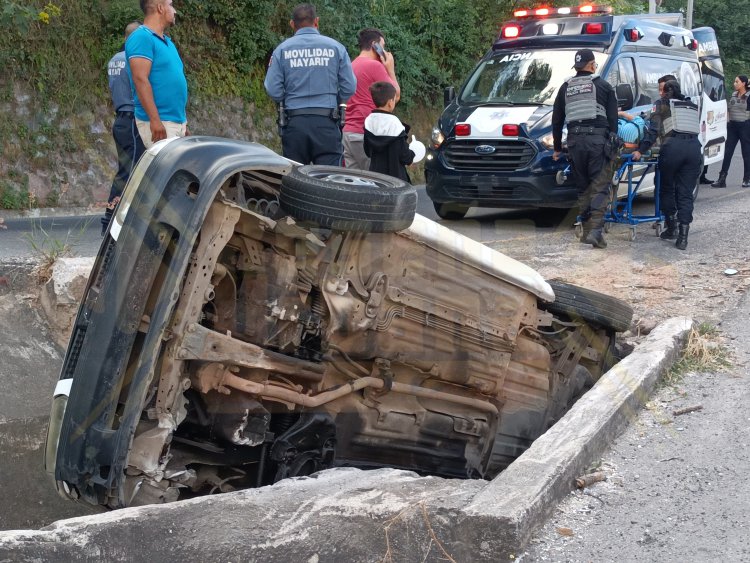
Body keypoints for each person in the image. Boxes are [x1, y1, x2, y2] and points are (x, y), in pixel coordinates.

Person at [264, 3, 356, 165]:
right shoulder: (336, 48)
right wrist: (336, 100)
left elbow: (272, 88)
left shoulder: (282, 50)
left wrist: (287, 99)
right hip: (326, 122)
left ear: (292, 24)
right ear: (317, 21)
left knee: (296, 180)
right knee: (329, 180)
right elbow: (349, 86)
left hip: (295, 123)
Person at [552, 49, 618, 249]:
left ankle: (589, 231)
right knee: (599, 186)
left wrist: (557, 148)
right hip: (597, 141)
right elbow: (613, 121)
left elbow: (557, 120)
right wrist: (613, 144)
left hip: (574, 142)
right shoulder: (604, 86)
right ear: (592, 65)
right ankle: (596, 231)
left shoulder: (565, 87)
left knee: (583, 187)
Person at [632, 79, 702, 250]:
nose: (660, 93)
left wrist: (640, 150)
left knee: (665, 187)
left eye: (661, 90)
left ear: (664, 92)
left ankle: (671, 228)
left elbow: (653, 131)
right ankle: (683, 237)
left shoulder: (661, 104)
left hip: (673, 148)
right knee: (685, 193)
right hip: (694, 148)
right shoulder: (690, 104)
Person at [102, 21, 146, 236]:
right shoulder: (132, 60)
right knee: (137, 172)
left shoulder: (114, 60)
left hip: (120, 120)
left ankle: (109, 219)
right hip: (132, 121)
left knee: (124, 172)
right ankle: (119, 224)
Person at [126, 0, 188, 148]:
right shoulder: (142, 37)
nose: (175, 11)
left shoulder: (168, 43)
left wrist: (182, 123)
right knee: (168, 170)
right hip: (160, 123)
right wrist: (154, 120)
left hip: (175, 122)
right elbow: (140, 78)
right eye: (171, 5)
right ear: (160, 8)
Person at [343, 28, 400, 170]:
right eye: (383, 46)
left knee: (353, 184)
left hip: (348, 134)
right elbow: (395, 96)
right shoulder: (374, 66)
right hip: (366, 134)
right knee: (375, 181)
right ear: (375, 45)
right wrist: (390, 69)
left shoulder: (351, 65)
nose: (385, 51)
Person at [363, 81, 414, 182]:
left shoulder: (369, 121)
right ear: (390, 102)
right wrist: (412, 155)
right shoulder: (395, 124)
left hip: (376, 178)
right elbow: (404, 155)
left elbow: (367, 151)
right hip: (395, 180)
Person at [711, 75, 750, 188]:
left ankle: (747, 178)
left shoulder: (749, 96)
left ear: (743, 83)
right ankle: (722, 179)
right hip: (732, 126)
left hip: (745, 126)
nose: (734, 83)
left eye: (736, 81)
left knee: (746, 153)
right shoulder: (733, 95)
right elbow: (728, 109)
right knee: (727, 153)